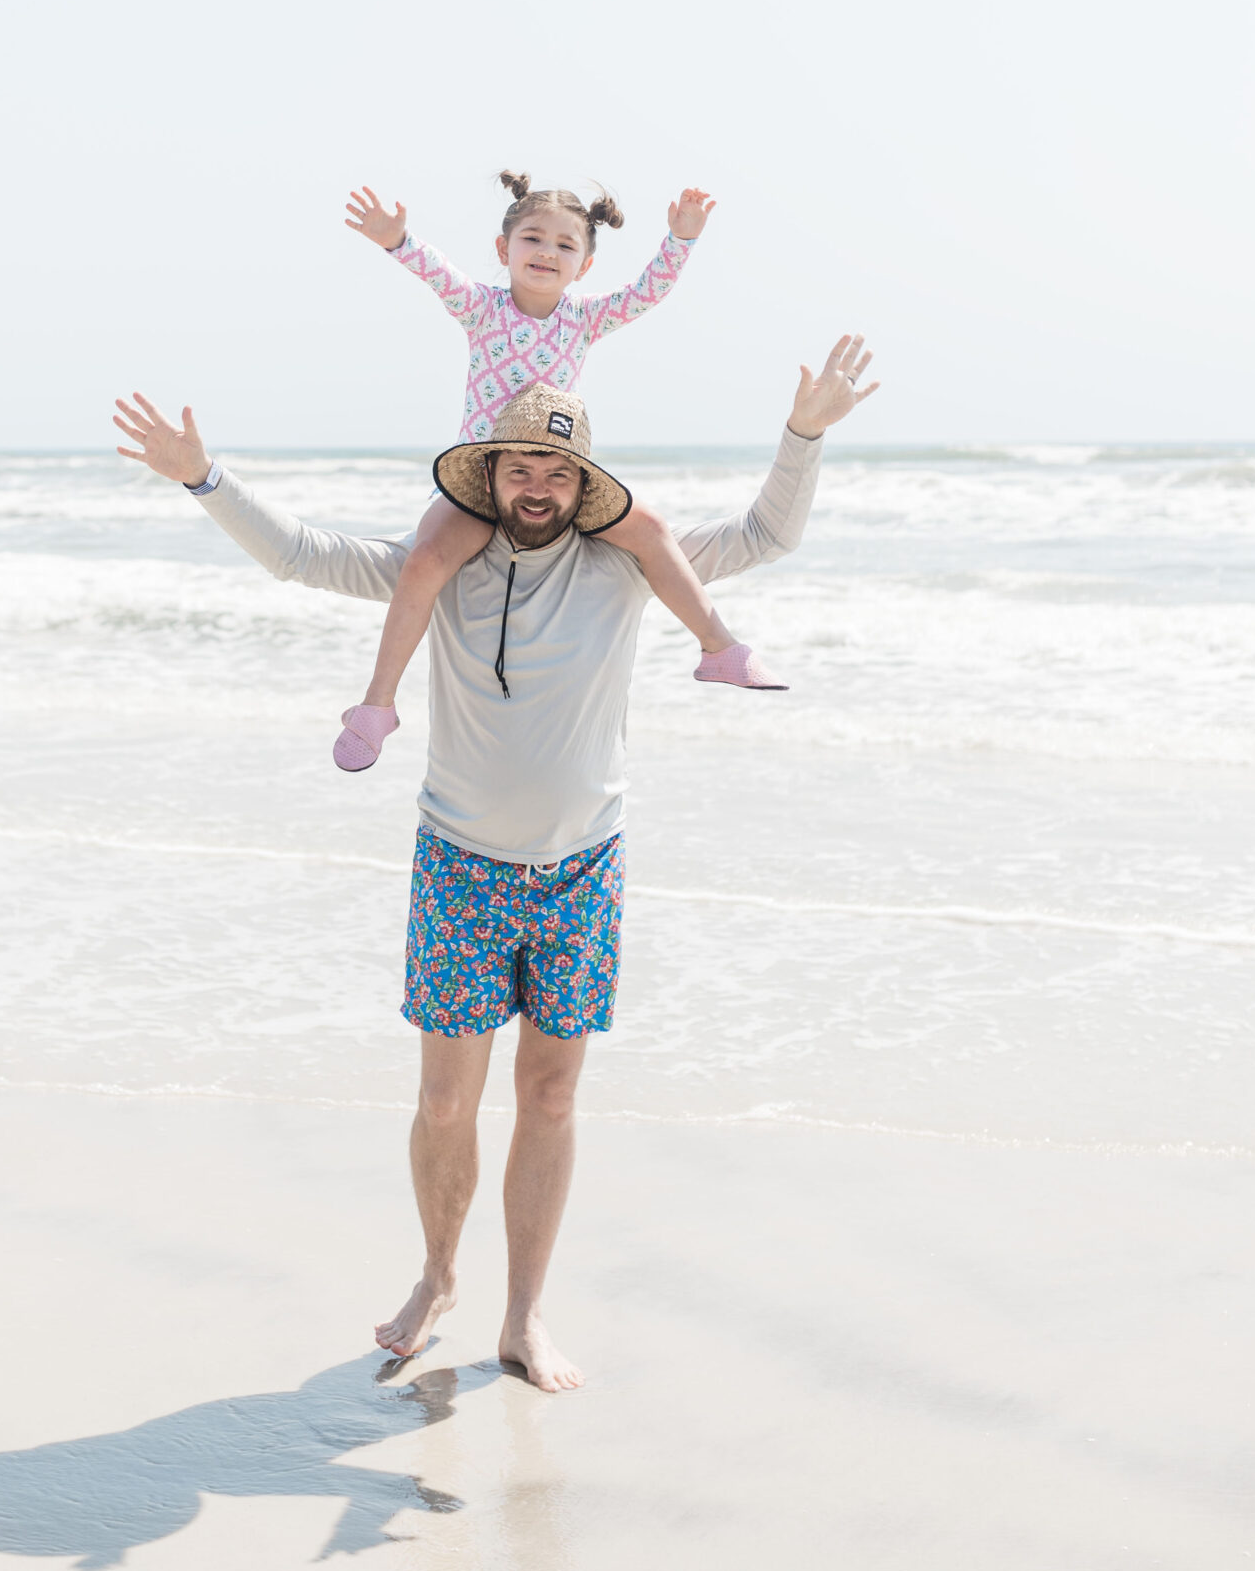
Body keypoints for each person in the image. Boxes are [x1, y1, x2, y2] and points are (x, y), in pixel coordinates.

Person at [113, 336, 877, 1391]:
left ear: (583, 483)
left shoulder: (626, 561)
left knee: (552, 1097)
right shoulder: (445, 563)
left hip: (582, 869)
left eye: (559, 470)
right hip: (460, 863)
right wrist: (204, 477)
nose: (538, 485)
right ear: (489, 472)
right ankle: (436, 1277)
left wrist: (803, 435)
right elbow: (301, 554)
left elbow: (764, 534)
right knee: (441, 1104)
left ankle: (522, 1318)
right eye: (519, 466)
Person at [332, 172, 783, 775]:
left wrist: (680, 240)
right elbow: (437, 272)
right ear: (504, 250)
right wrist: (398, 240)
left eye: (566, 246)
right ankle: (377, 705)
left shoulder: (587, 319)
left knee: (650, 527)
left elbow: (646, 294)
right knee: (424, 561)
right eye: (533, 239)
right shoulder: (482, 308)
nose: (547, 252)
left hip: (559, 480)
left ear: (585, 265)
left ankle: (718, 647)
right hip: (482, 481)